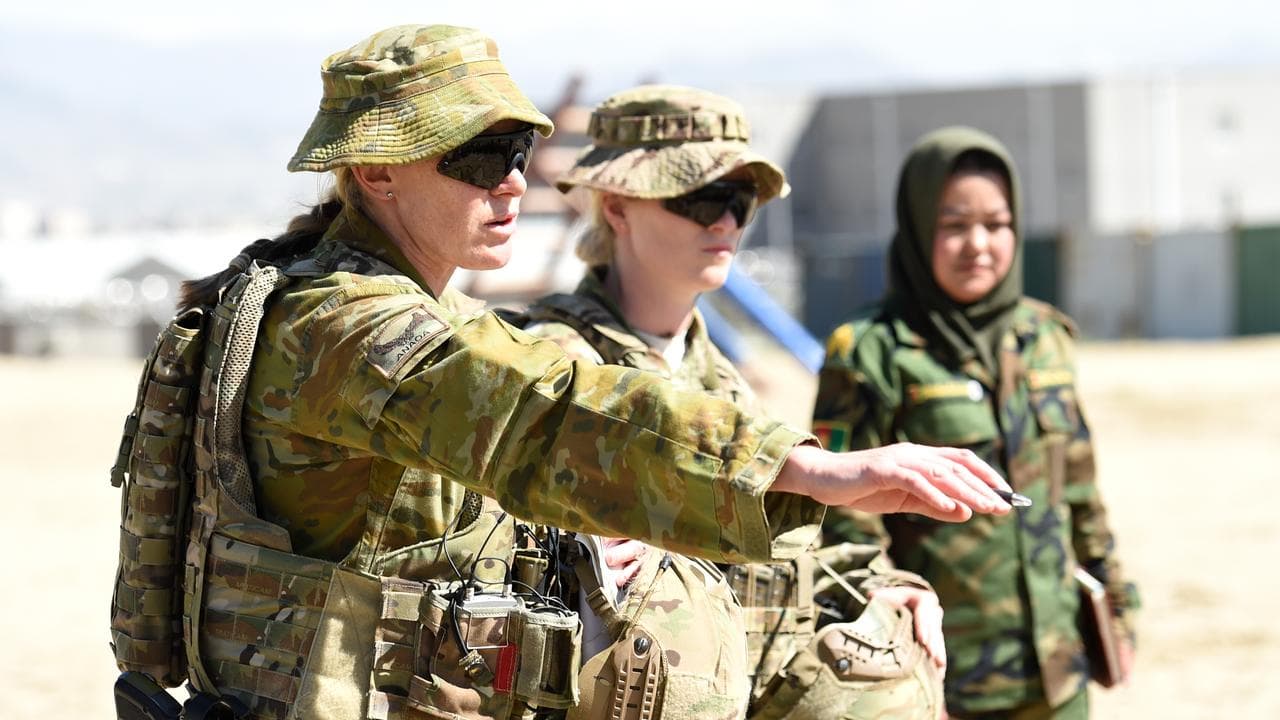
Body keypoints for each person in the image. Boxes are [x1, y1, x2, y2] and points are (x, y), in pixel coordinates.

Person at [109, 26, 1013, 720]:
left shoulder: (421, 309)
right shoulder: (338, 321)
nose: (511, 184)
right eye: (474, 159)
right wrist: (804, 467)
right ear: (377, 170)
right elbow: (538, 411)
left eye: (513, 154)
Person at [516, 84, 947, 720]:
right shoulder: (550, 363)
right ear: (616, 209)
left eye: (739, 201)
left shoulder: (721, 379)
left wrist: (890, 588)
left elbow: (791, 543)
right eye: (698, 198)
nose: (724, 222)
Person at [811, 126, 1139, 720]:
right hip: (939, 677)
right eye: (953, 225)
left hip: (1058, 670)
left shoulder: (1045, 338)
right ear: (915, 229)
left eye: (997, 223)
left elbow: (1081, 493)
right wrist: (891, 642)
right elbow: (845, 523)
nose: (979, 244)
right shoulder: (868, 351)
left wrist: (1116, 602)